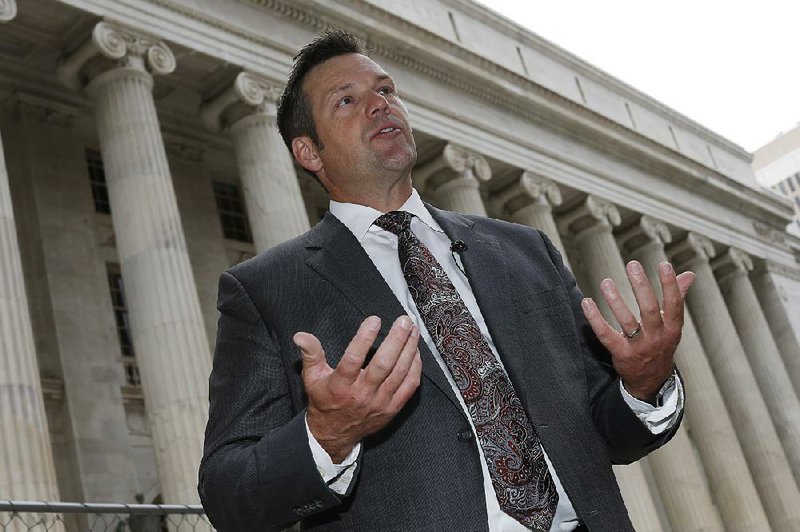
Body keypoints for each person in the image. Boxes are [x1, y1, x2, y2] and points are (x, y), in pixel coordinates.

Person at [198, 29, 694, 532]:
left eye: (386, 90)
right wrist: (325, 435)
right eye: (347, 100)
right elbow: (228, 495)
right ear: (309, 152)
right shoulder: (265, 289)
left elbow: (602, 434)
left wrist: (642, 383)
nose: (379, 105)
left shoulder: (525, 249)